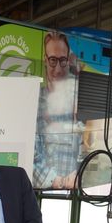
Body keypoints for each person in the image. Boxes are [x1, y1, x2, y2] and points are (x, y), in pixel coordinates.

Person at [34, 31, 85, 189]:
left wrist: (81, 175)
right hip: (41, 193)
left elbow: (90, 146)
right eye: (52, 60)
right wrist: (58, 181)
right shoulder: (34, 100)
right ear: (45, 60)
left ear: (69, 61)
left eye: (62, 60)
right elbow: (30, 152)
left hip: (76, 193)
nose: (57, 69)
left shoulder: (80, 101)